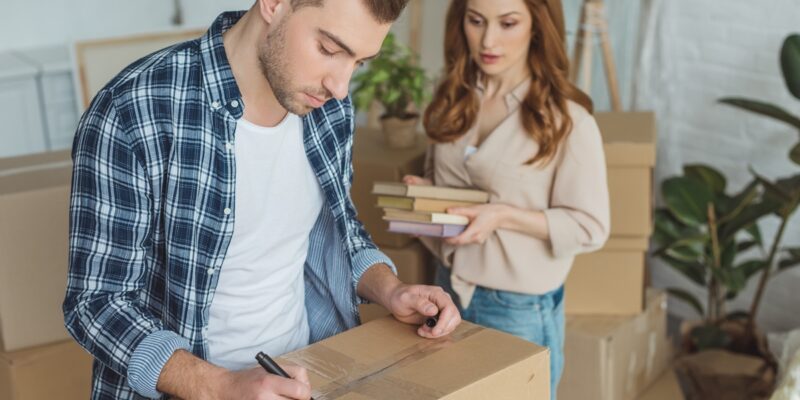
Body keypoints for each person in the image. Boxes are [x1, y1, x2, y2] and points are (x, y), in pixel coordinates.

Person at [63, 1, 461, 399]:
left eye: (358, 62)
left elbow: (338, 230)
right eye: (328, 49)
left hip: (305, 374)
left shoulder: (329, 109)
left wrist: (390, 289)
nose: (340, 86)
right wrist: (222, 387)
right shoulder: (135, 109)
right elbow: (97, 302)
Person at [404, 0, 610, 397]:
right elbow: (446, 183)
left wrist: (503, 216)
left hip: (517, 309)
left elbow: (591, 227)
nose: (488, 40)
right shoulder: (451, 96)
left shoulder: (568, 120)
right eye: (476, 21)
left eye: (508, 23)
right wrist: (423, 194)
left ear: (537, 26)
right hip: (443, 292)